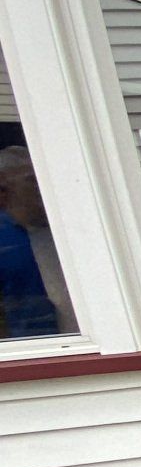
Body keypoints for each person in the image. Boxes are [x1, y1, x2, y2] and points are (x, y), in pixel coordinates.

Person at [0, 142, 77, 337]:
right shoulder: (5, 239)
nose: (42, 188)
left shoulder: (69, 228)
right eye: (33, 180)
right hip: (33, 351)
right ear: (3, 189)